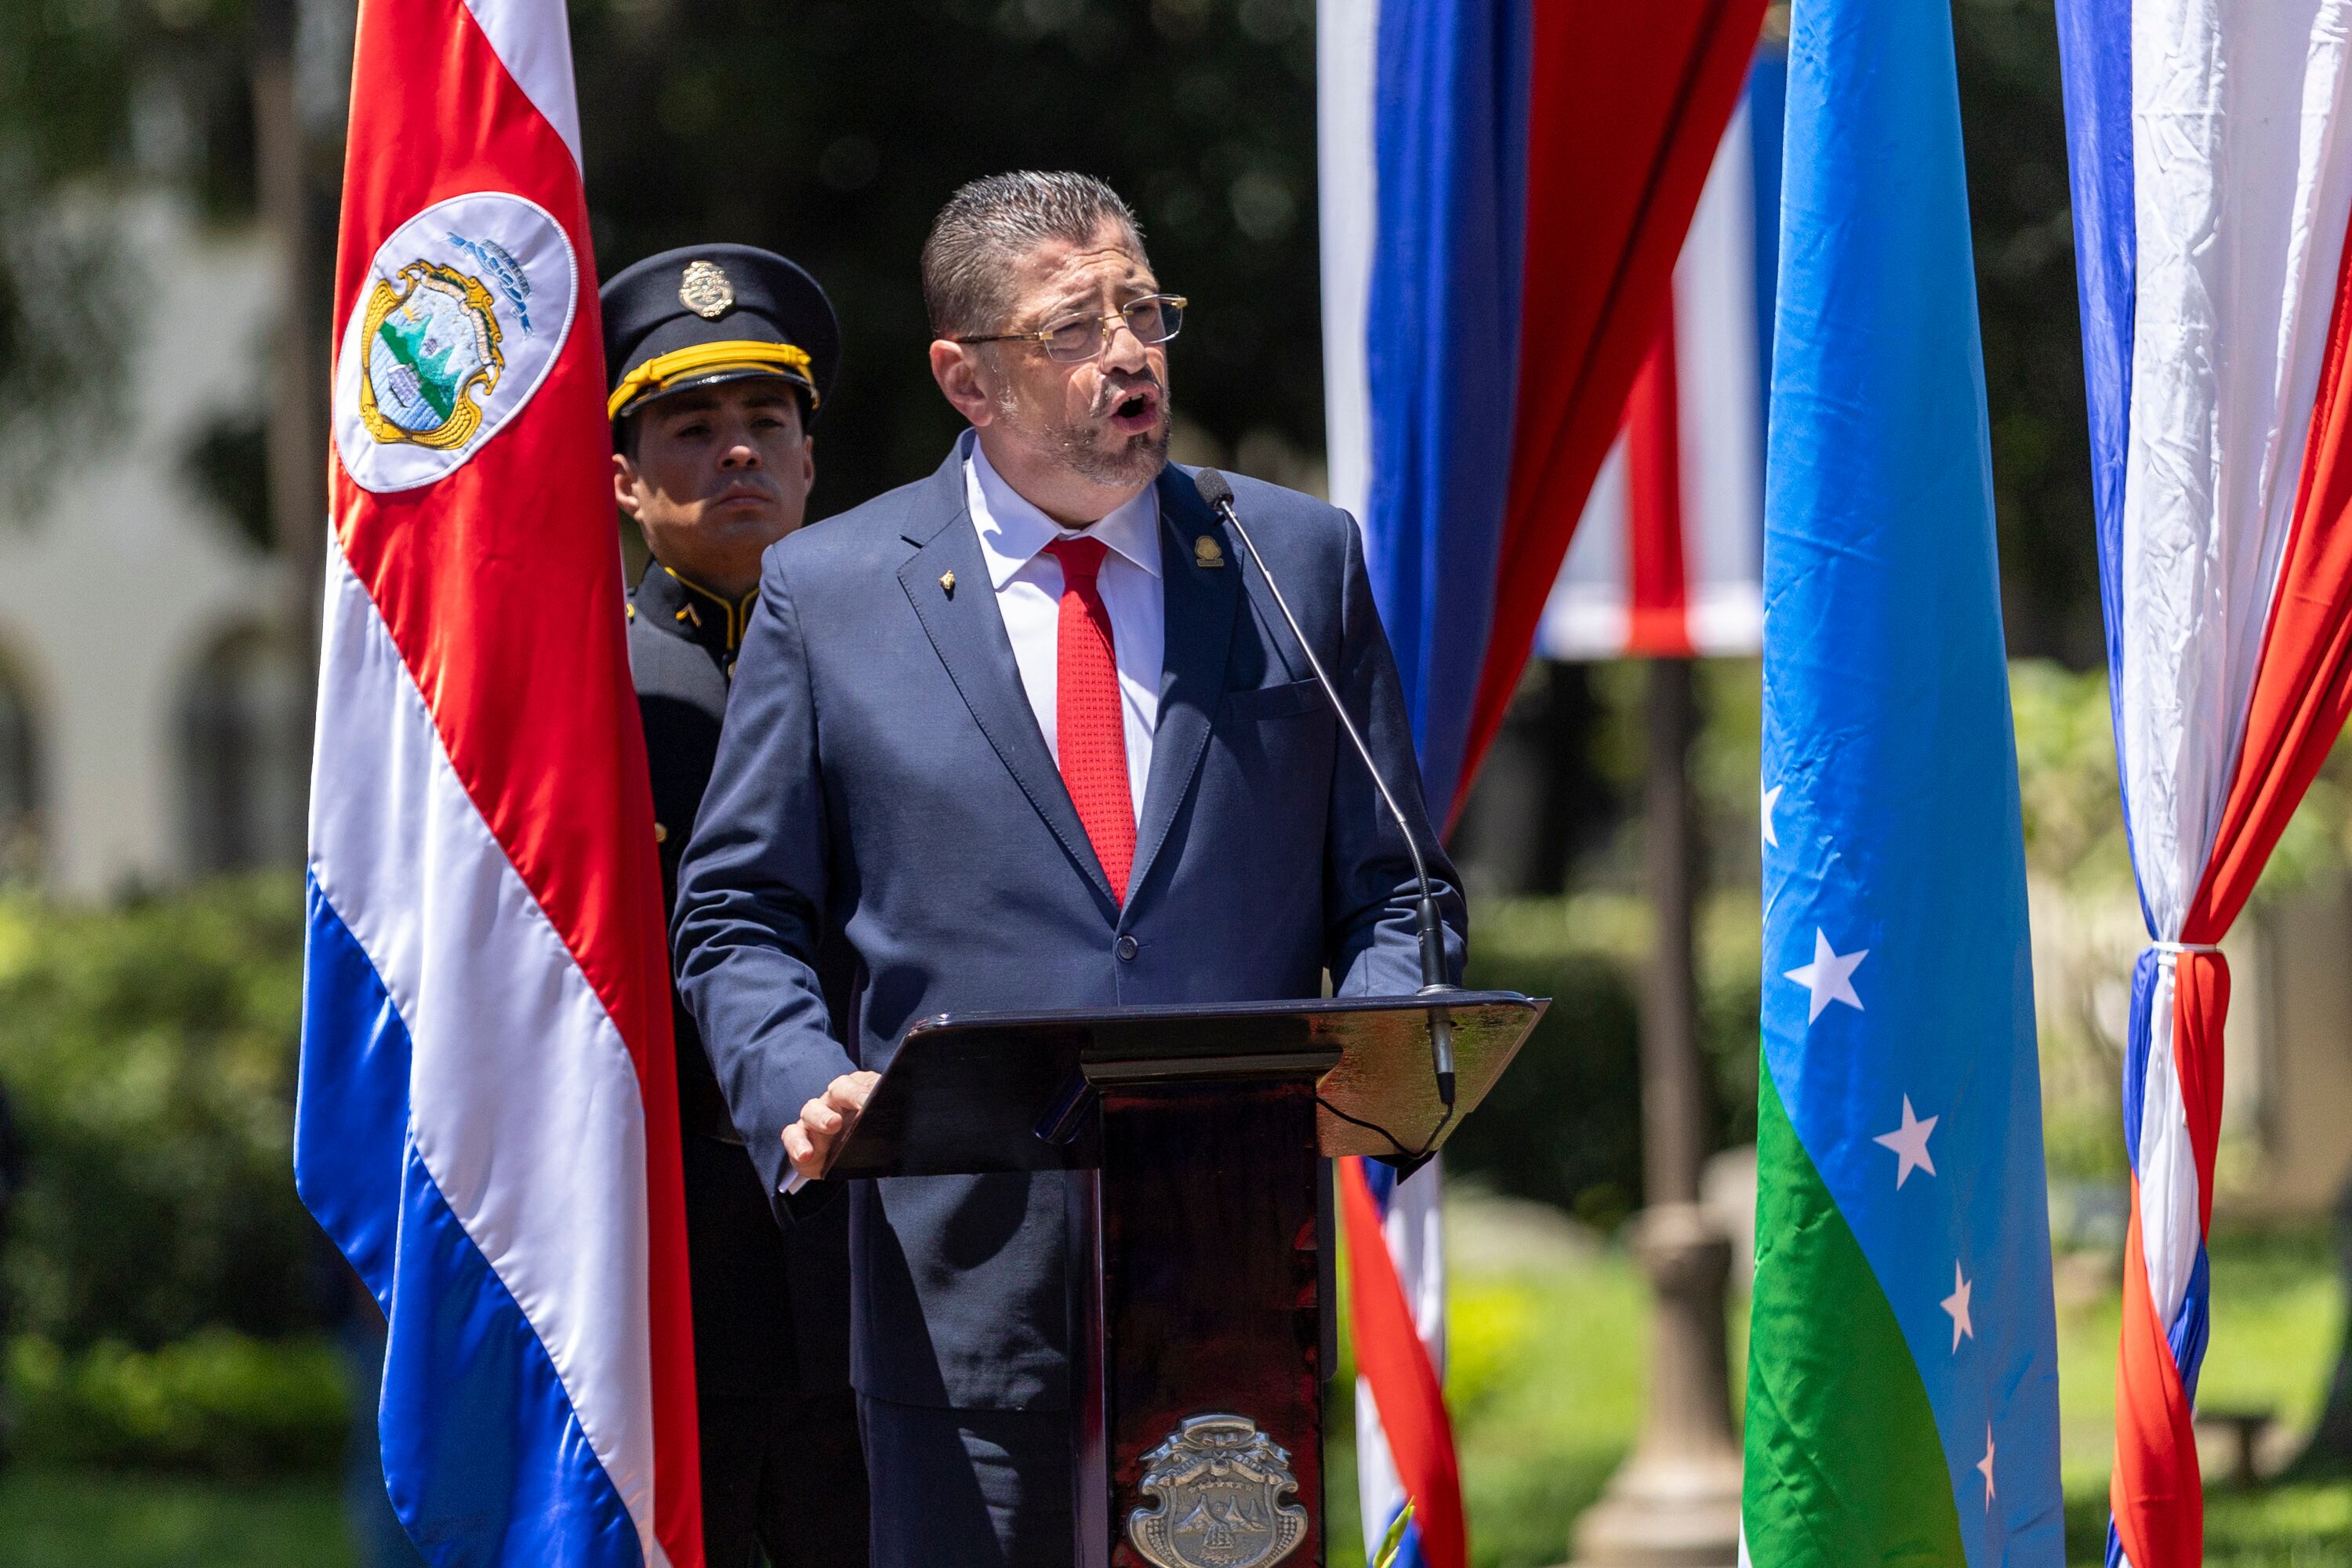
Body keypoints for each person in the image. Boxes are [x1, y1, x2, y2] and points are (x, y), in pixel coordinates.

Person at [672, 173, 1464, 1566]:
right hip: (961, 1283)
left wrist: (1379, 1049)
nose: (1128, 355)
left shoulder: (1289, 564)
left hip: (1233, 1270)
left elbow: (1398, 886)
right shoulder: (835, 593)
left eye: (1143, 311)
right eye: (1074, 327)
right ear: (964, 376)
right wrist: (802, 1086)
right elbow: (740, 911)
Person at [601, 243, 867, 1568]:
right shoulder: (589, 701)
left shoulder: (907, 659)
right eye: (693, 428)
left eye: (769, 422)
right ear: (626, 477)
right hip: (679, 1265)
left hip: (877, 1243)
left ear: (813, 458)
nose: (740, 454)